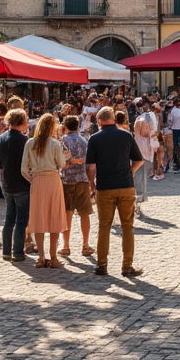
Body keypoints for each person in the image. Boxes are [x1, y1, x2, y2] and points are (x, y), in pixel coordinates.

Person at [85, 106, 144, 277]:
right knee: (127, 226)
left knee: (104, 226)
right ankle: (127, 266)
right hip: (125, 185)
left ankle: (102, 265)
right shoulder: (126, 135)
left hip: (105, 186)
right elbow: (138, 160)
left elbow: (91, 167)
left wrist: (91, 184)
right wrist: (129, 172)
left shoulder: (95, 139)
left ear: (99, 121)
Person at [22, 113, 68, 268]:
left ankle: (41, 257)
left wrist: (33, 179)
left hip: (38, 180)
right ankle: (53, 257)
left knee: (38, 218)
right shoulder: (54, 144)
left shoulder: (30, 143)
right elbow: (61, 163)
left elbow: (23, 169)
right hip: (52, 180)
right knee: (55, 217)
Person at [0, 108, 31, 262]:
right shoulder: (25, 141)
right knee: (21, 220)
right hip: (22, 183)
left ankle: (6, 251)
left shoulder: (1, 139)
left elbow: (0, 163)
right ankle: (17, 252)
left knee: (9, 218)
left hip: (7, 181)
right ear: (22, 122)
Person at [59, 115, 94, 257]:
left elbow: (62, 161)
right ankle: (85, 245)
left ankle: (66, 246)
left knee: (67, 212)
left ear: (65, 126)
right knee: (85, 213)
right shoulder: (85, 141)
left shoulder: (62, 141)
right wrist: (92, 182)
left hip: (67, 180)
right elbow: (89, 162)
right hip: (82, 179)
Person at [132, 115, 154, 215]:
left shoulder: (149, 139)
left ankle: (138, 203)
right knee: (138, 181)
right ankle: (136, 203)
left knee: (142, 181)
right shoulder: (137, 137)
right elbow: (137, 128)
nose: (147, 128)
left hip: (147, 159)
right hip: (139, 159)